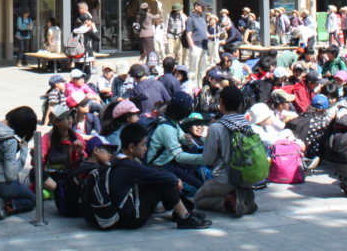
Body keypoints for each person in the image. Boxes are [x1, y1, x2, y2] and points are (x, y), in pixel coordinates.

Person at [81, 122, 210, 230]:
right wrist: (176, 181)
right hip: (130, 218)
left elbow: (153, 172)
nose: (145, 148)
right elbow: (166, 178)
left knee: (157, 171)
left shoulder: (117, 160)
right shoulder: (130, 167)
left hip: (120, 212)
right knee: (164, 180)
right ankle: (184, 216)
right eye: (143, 145)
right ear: (131, 147)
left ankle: (180, 212)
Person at [194, 85, 257, 217]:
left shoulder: (217, 127)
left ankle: (231, 201)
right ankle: (241, 194)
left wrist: (206, 138)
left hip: (226, 178)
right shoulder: (248, 126)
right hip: (248, 175)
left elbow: (208, 159)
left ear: (221, 102)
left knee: (198, 199)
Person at [0, 106, 38, 220]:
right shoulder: (10, 140)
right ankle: (4, 206)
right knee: (31, 200)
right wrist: (24, 152)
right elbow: (10, 173)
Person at [147, 92, 206, 193]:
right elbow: (179, 156)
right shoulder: (166, 128)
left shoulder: (172, 122)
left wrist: (185, 140)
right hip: (159, 166)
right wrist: (205, 158)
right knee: (197, 187)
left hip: (168, 163)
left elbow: (180, 136)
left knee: (196, 183)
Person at [185, 0, 209, 84]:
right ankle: (192, 90)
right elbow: (188, 35)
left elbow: (205, 32)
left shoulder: (203, 18)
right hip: (196, 46)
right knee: (193, 70)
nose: (203, 8)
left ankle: (201, 88)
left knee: (203, 70)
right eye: (202, 6)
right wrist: (193, 47)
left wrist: (213, 35)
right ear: (196, 7)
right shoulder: (190, 19)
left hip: (204, 46)